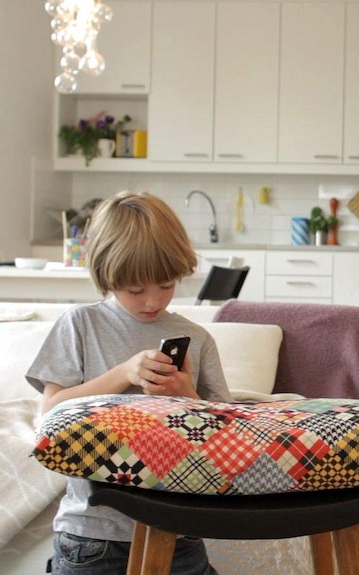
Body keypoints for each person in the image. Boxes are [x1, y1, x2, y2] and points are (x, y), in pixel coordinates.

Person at [27, 191, 230, 575]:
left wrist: (184, 394)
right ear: (107, 274)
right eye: (136, 290)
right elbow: (50, 413)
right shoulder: (80, 325)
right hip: (94, 534)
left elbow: (223, 433)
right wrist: (124, 374)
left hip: (180, 532)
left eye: (167, 285)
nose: (153, 300)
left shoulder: (197, 338)